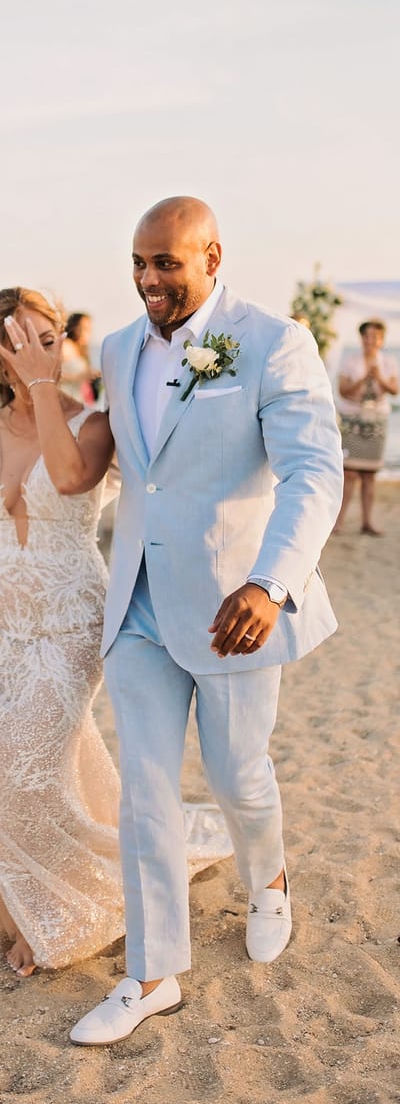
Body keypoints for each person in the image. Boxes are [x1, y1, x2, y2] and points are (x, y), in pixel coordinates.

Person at [0, 286, 231, 977]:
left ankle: (57, 907)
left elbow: (70, 479)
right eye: (19, 342)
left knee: (30, 768)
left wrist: (44, 387)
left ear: (61, 344)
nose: (34, 351)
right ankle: (24, 890)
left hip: (67, 623)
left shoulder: (95, 425)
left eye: (45, 338)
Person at [70, 197, 343, 1047]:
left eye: (166, 263)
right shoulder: (118, 349)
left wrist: (271, 585)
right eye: (139, 263)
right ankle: (152, 977)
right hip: (138, 604)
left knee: (238, 779)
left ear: (212, 257)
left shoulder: (273, 342)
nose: (149, 279)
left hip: (236, 611)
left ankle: (270, 880)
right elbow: (128, 471)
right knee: (145, 792)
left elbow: (314, 473)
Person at [334, 318, 398, 536]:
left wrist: (378, 377)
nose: (370, 340)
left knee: (370, 475)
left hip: (376, 422)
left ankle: (367, 522)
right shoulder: (350, 360)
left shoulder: (388, 362)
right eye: (366, 336)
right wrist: (363, 379)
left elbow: (394, 390)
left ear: (381, 340)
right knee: (349, 473)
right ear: (361, 338)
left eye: (375, 337)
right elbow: (343, 391)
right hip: (353, 420)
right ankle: (338, 521)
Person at [60, 311, 100, 404]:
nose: (88, 333)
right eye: (85, 328)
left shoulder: (81, 349)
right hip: (65, 400)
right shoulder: (66, 346)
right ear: (74, 328)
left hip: (77, 400)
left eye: (89, 329)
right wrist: (78, 376)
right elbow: (51, 374)